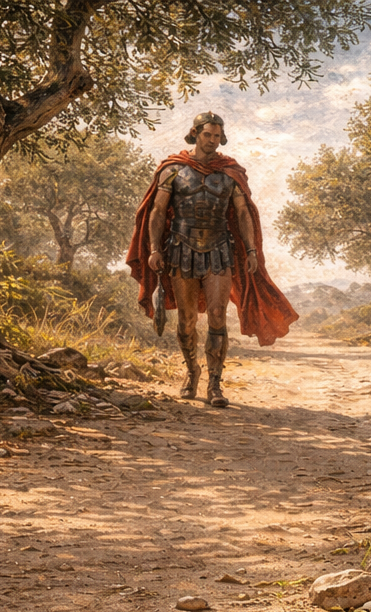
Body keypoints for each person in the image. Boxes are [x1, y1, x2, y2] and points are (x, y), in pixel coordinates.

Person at [126, 112, 297, 407]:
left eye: (218, 136)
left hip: (220, 248)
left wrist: (252, 250)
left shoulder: (229, 172)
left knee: (218, 315)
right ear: (195, 133)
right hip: (180, 249)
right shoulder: (173, 170)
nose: (213, 141)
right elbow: (156, 212)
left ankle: (215, 384)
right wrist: (155, 249)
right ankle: (192, 371)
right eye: (208, 135)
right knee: (186, 321)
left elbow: (243, 214)